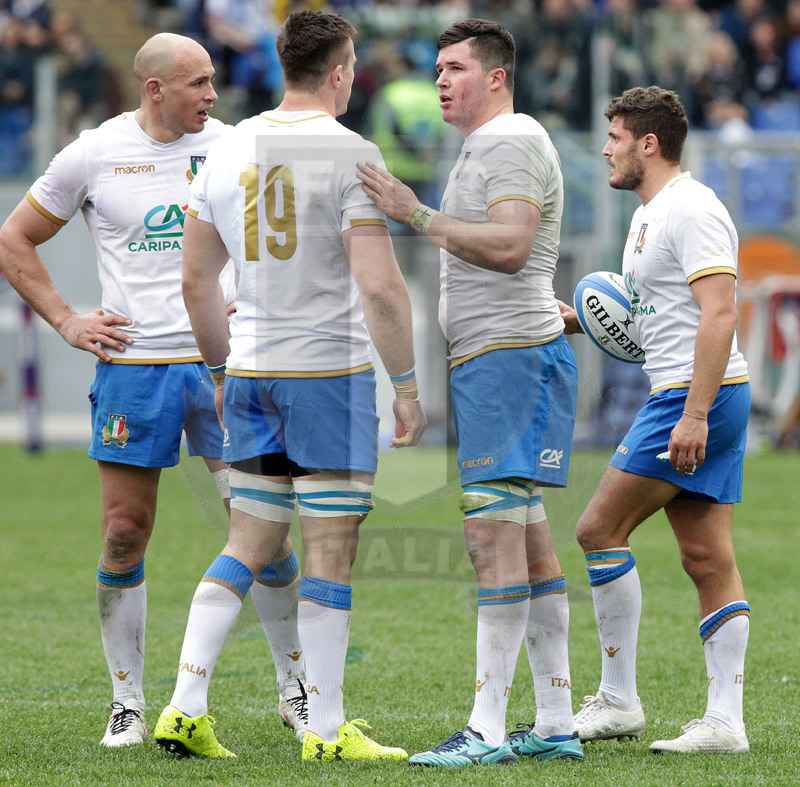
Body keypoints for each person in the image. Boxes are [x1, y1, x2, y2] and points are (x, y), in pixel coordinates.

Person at [0, 32, 306, 748]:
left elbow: (288, 235)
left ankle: (298, 687)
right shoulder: (93, 153)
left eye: (213, 81)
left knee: (261, 528)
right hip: (136, 371)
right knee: (123, 532)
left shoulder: (237, 147)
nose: (212, 95)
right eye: (197, 82)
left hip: (231, 366)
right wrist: (69, 319)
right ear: (154, 89)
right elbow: (14, 240)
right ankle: (128, 702)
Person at [153, 10, 427, 761]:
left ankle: (184, 702)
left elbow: (194, 279)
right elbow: (381, 289)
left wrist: (219, 369)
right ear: (339, 70)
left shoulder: (227, 146)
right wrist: (404, 384)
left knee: (250, 538)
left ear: (284, 64)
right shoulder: (351, 152)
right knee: (331, 547)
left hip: (249, 370)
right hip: (326, 375)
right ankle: (327, 728)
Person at [357, 17, 582, 767]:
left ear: (496, 77)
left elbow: (513, 245)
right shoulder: (494, 143)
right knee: (531, 539)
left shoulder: (509, 140)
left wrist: (412, 212)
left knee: (491, 537)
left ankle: (487, 727)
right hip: (506, 358)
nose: (441, 79)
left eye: (455, 67)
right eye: (437, 66)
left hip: (509, 361)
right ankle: (554, 721)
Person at [560, 85, 751, 754]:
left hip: (691, 396)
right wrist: (580, 319)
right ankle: (725, 722)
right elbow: (657, 314)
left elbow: (721, 312)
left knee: (597, 528)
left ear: (648, 143)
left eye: (614, 137)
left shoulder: (692, 208)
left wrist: (694, 412)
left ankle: (617, 699)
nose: (605, 148)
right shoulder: (653, 213)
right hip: (699, 391)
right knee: (705, 556)